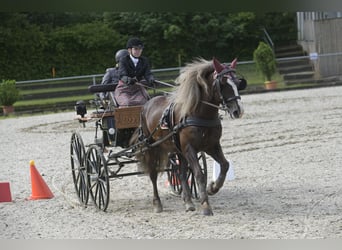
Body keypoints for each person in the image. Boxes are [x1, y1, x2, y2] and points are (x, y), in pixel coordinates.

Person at [114, 37, 154, 106]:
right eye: (136, 49)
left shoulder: (144, 61)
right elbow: (122, 75)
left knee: (143, 102)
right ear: (129, 50)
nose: (138, 51)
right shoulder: (123, 60)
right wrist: (128, 79)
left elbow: (148, 73)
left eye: (140, 49)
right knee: (127, 103)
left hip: (137, 90)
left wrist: (151, 79)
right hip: (124, 89)